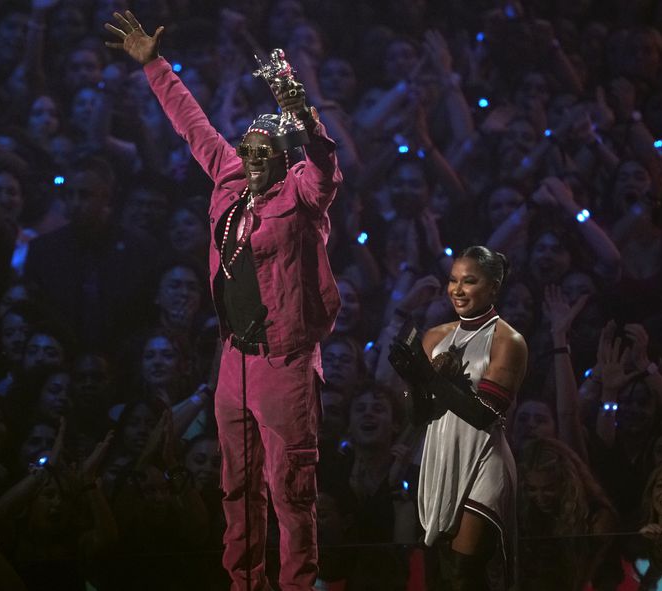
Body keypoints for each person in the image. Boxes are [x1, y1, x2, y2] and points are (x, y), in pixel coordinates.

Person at [105, 10, 342, 591]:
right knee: (236, 485)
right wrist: (154, 65)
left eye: (264, 153)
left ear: (282, 160)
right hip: (234, 356)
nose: (252, 159)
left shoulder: (304, 196)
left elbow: (324, 163)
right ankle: (243, 584)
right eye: (248, 149)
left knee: (289, 489)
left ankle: (296, 584)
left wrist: (303, 116)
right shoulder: (230, 180)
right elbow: (192, 124)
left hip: (285, 359)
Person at [389, 245, 528, 590]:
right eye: (453, 280)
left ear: (494, 286)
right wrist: (411, 381)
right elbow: (418, 414)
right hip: (440, 454)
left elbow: (484, 415)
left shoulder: (508, 340)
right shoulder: (436, 336)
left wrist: (429, 375)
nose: (458, 290)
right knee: (440, 570)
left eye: (469, 281)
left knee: (464, 573)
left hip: (484, 457)